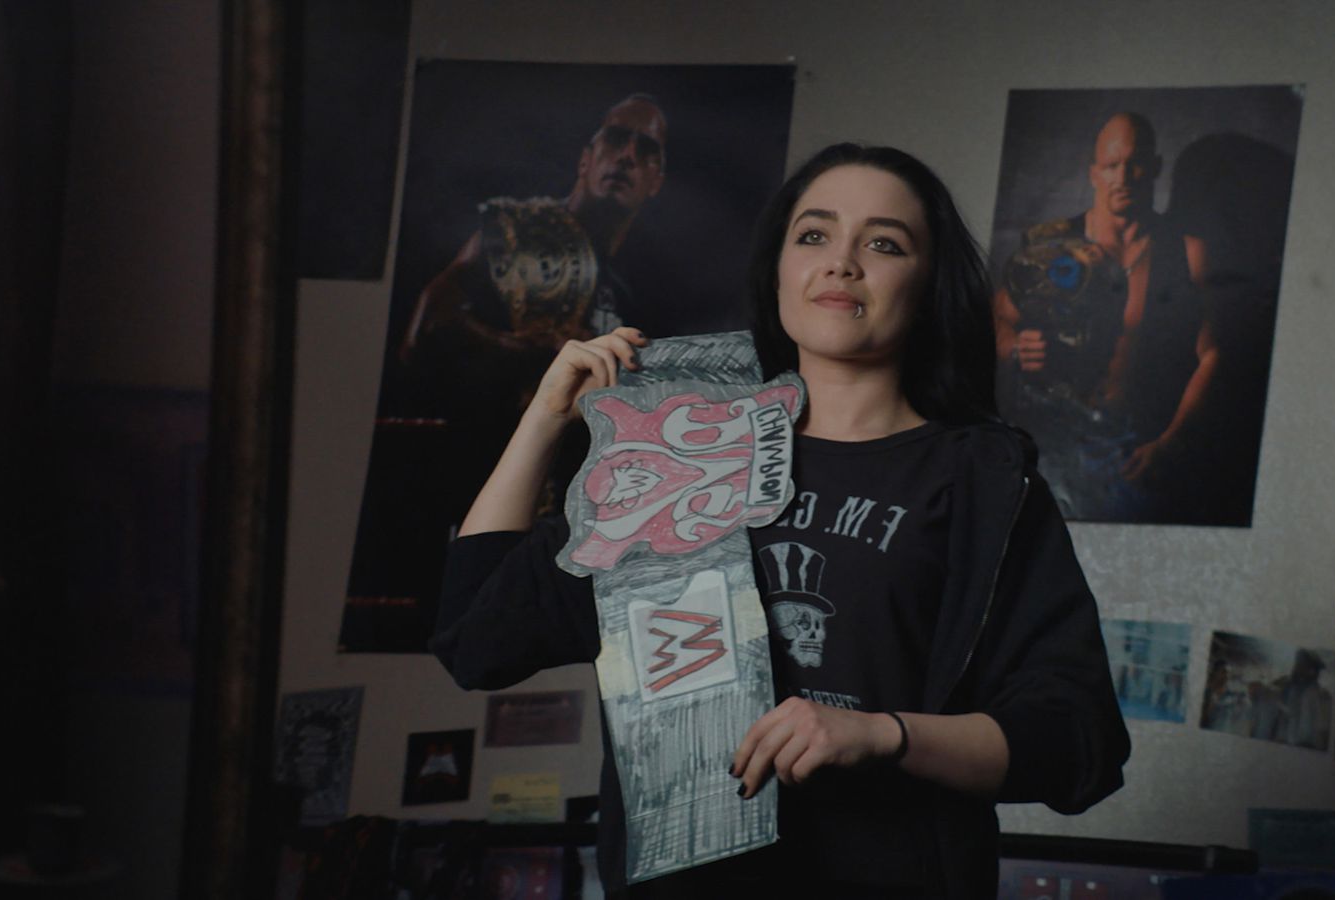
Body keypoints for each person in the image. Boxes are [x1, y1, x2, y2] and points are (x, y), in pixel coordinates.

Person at [431, 143, 1129, 897]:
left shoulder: (982, 481)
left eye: (884, 244)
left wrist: (885, 735)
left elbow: (1077, 740)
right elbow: (476, 639)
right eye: (814, 235)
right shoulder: (674, 450)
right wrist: (543, 418)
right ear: (777, 270)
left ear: (930, 285)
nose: (842, 263)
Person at [993, 112, 1214, 512]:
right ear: (1094, 173)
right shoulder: (1049, 247)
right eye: (1112, 165)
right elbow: (998, 320)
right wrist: (1015, 347)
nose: (1123, 177)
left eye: (1135, 163)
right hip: (1055, 445)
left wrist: (1170, 442)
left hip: (1140, 449)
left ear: (1155, 168)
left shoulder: (1188, 252)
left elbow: (1214, 353)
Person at [400, 93, 669, 374]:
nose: (628, 156)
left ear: (656, 183)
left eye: (646, 150)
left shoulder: (636, 290)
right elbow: (426, 329)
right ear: (585, 161)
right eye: (615, 139)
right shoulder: (515, 231)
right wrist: (528, 351)